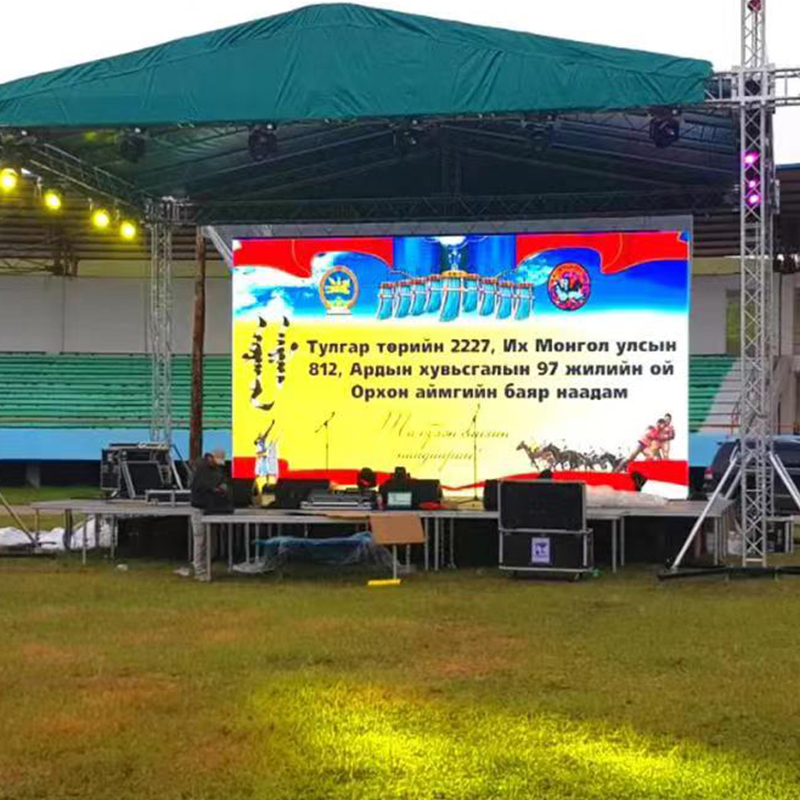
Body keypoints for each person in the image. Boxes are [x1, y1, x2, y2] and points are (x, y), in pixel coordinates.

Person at [189, 449, 232, 581]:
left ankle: (206, 567)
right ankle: (199, 570)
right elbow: (197, 486)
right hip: (199, 508)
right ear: (211, 458)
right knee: (200, 540)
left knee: (210, 541)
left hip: (210, 509)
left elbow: (221, 481)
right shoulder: (200, 468)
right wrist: (213, 488)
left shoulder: (216, 470)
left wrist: (222, 486)